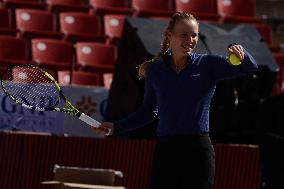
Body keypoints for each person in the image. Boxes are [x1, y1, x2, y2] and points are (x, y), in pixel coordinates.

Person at [95, 12, 258, 189]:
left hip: (198, 151)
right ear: (169, 36)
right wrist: (116, 127)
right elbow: (149, 111)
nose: (190, 39)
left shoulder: (208, 65)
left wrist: (239, 50)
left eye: (194, 35)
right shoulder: (155, 70)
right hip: (166, 151)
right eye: (184, 35)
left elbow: (250, 68)